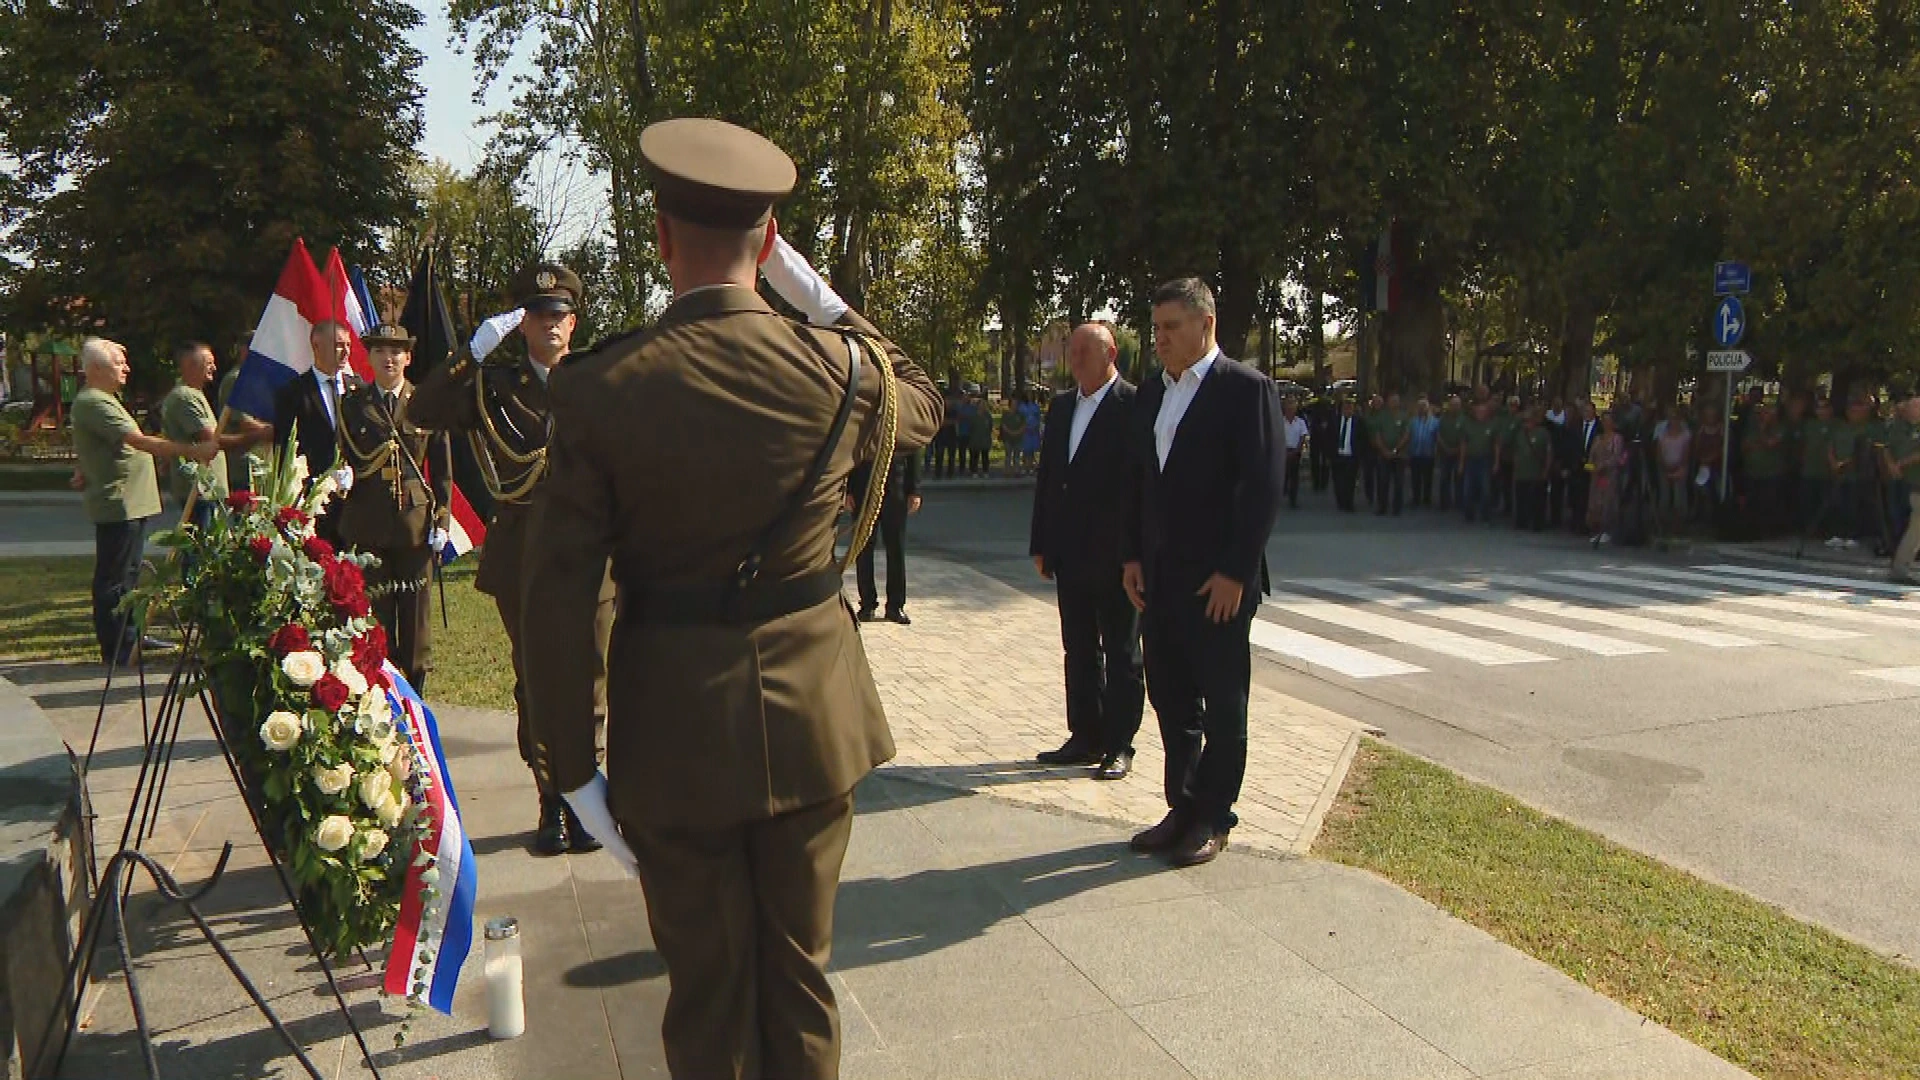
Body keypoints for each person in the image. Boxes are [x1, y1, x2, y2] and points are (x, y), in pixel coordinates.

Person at [518, 118, 941, 1078]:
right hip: (813, 723)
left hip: (673, 732)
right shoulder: (839, 367)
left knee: (705, 992)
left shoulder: (600, 387)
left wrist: (574, 770)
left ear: (662, 237)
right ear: (771, 235)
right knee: (802, 979)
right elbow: (918, 397)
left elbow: (557, 598)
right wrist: (808, 289)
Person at [410, 261, 615, 857]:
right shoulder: (492, 387)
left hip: (590, 556)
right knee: (539, 683)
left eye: (559, 315)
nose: (549, 325)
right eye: (538, 315)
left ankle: (588, 803)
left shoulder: (601, 382)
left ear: (573, 323)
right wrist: (470, 354)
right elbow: (421, 410)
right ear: (522, 323)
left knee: (591, 684)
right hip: (524, 555)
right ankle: (550, 800)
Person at [1120, 277, 1282, 868]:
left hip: (1218, 582)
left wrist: (1236, 571)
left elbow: (1261, 489)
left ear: (1205, 324)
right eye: (1155, 328)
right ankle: (1182, 807)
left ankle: (1215, 814)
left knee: (1223, 700)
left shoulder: (1244, 390)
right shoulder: (1152, 395)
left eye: (1171, 327)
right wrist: (1133, 557)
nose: (1159, 339)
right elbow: (1141, 485)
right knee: (1170, 696)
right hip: (1160, 578)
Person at [1031, 323, 1143, 780]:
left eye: (1084, 350)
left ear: (1111, 353)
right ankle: (1085, 735)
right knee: (1077, 648)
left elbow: (1140, 485)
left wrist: (1136, 552)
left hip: (1116, 556)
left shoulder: (1133, 405)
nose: (1075, 358)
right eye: (1071, 350)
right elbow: (1048, 478)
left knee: (1121, 651)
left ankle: (1119, 744)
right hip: (1070, 553)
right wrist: (1041, 542)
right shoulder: (1061, 407)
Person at [71, 338, 217, 664]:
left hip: (132, 502)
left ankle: (132, 636)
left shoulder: (106, 400)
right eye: (119, 363)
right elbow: (138, 441)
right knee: (115, 578)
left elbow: (100, 445)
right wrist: (192, 451)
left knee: (131, 575)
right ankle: (118, 648)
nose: (127, 368)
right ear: (96, 369)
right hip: (118, 503)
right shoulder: (94, 401)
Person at [334, 325, 451, 692]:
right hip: (368, 523)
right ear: (368, 358)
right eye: (380, 351)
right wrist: (342, 475)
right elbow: (347, 455)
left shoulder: (427, 403)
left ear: (408, 358)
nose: (389, 358)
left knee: (416, 623)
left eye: (396, 351)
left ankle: (415, 698)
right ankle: (380, 698)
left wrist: (442, 519)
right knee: (375, 620)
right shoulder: (353, 404)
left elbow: (443, 470)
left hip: (415, 525)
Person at [273, 320, 361, 544]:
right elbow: (285, 449)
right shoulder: (294, 392)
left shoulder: (359, 389)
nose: (345, 352)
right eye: (338, 345)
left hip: (356, 498)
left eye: (348, 345)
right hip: (315, 498)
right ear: (317, 346)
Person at [158, 341, 242, 529]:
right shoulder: (185, 397)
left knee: (204, 549)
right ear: (190, 365)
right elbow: (210, 439)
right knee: (198, 550)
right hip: (198, 489)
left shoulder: (195, 394)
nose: (214, 367)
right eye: (209, 362)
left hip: (207, 489)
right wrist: (257, 436)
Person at [850, 447, 921, 624]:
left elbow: (914, 448)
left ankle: (895, 606)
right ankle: (867, 604)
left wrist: (914, 489)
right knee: (863, 548)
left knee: (896, 549)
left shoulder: (899, 420)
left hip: (895, 489)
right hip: (863, 490)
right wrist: (847, 489)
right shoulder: (862, 418)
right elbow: (850, 449)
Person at [214, 342, 273, 494]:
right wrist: (275, 431)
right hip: (241, 465)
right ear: (245, 351)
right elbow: (244, 422)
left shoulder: (255, 379)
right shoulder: (236, 379)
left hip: (259, 463)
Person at [1884, 395, 1920, 580]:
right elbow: (1887, 447)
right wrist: (1895, 465)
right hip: (1913, 484)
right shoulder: (1899, 427)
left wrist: (1900, 464)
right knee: (1915, 529)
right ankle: (1899, 569)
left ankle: (1900, 567)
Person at [1510, 406, 1554, 531]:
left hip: (1536, 473)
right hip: (1521, 473)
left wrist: (1546, 470)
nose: (1526, 423)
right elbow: (1515, 452)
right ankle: (1521, 521)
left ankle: (1537, 523)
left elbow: (1548, 453)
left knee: (1537, 500)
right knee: (1521, 498)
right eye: (1524, 421)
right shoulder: (1519, 434)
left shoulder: (1543, 433)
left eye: (1528, 420)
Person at [1587, 410, 1626, 546]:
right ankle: (1596, 530)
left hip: (1609, 475)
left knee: (1607, 502)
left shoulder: (1617, 438)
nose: (1605, 423)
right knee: (1595, 502)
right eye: (1603, 420)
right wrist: (1591, 466)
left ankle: (1607, 531)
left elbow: (1616, 456)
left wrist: (1603, 466)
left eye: (1608, 420)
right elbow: (1591, 455)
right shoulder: (1598, 438)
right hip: (1596, 475)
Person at [1370, 392, 1408, 516]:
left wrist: (1395, 450)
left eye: (1396, 401)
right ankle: (1382, 507)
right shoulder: (1381, 416)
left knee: (1399, 482)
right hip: (1383, 454)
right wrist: (1384, 450)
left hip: (1400, 455)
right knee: (1382, 481)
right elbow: (1377, 435)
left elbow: (1406, 435)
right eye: (1392, 401)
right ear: (1388, 402)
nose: (1394, 403)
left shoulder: (1404, 416)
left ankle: (1397, 508)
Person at [1460, 399, 1497, 523]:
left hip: (1485, 460)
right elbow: (1464, 444)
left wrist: (1496, 462)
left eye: (1483, 412)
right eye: (1478, 412)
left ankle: (1485, 515)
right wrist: (1461, 462)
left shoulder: (1491, 425)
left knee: (1485, 489)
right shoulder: (1469, 425)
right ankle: (1469, 515)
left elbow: (1496, 444)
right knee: (1467, 489)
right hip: (1470, 460)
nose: (1480, 414)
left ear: (1487, 413)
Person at [1329, 396, 1362, 512]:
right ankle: (1340, 501)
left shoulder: (1358, 422)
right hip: (1338, 455)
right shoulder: (1335, 420)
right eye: (1345, 408)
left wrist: (1359, 454)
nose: (1348, 410)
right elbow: (1330, 437)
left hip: (1351, 456)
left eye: (1350, 408)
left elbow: (1362, 439)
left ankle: (1349, 503)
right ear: (1342, 409)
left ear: (1353, 410)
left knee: (1350, 481)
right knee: (1338, 481)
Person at [1407, 396, 1439, 507]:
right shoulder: (1412, 421)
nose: (1422, 409)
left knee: (1428, 478)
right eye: (1420, 407)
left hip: (1428, 454)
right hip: (1415, 453)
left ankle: (1427, 499)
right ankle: (1416, 498)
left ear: (1428, 408)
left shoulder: (1435, 422)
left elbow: (1437, 437)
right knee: (1415, 478)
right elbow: (1408, 436)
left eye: (1424, 407)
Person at [1435, 395, 1463, 513]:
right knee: (1444, 478)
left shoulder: (1464, 419)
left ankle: (1459, 502)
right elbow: (1438, 434)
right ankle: (1444, 503)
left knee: (1459, 478)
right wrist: (1445, 447)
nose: (1454, 407)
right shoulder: (1443, 418)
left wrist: (1458, 449)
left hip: (1459, 453)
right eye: (1453, 405)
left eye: (1457, 405)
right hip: (1445, 453)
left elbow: (1466, 436)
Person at [1280, 395, 1309, 510]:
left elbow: (1303, 436)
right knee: (1283, 476)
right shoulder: (1280, 421)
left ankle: (1293, 500)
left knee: (1294, 477)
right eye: (1288, 405)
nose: (1290, 408)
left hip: (1295, 452)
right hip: (1283, 452)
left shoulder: (1300, 422)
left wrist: (1298, 450)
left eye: (1293, 405)